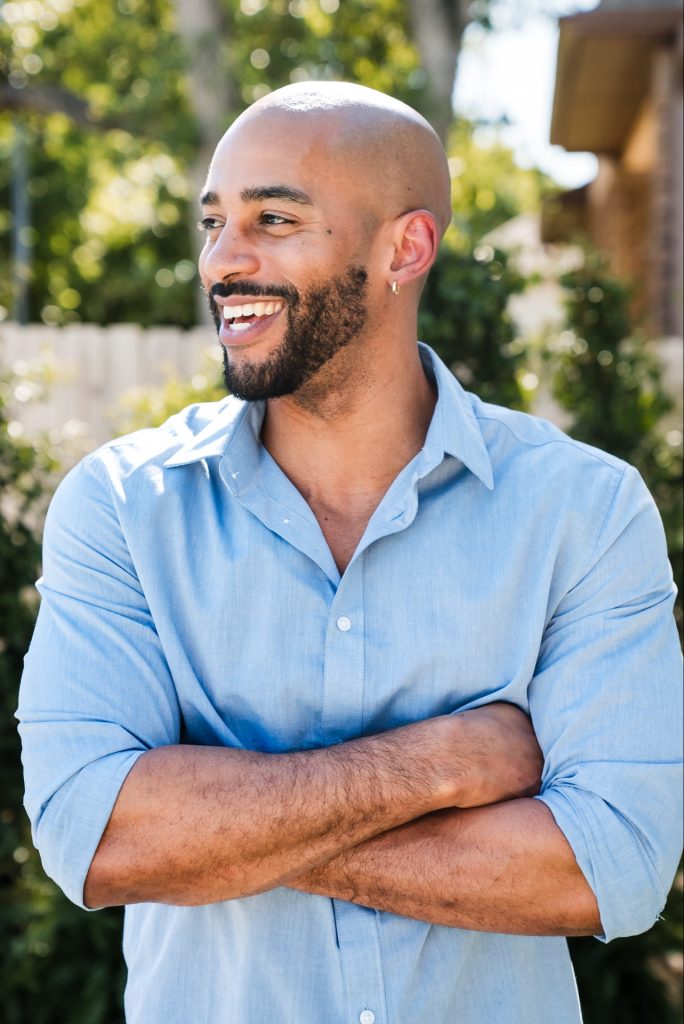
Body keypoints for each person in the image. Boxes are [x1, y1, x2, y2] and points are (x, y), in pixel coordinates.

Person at [17, 82, 682, 1024]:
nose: (221, 260)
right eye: (214, 223)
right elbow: (95, 837)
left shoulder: (585, 511)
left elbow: (612, 865)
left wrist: (220, 831)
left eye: (273, 219)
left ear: (404, 249)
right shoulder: (124, 507)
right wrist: (443, 763)